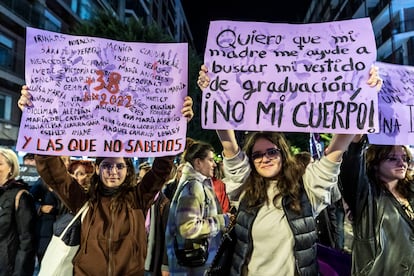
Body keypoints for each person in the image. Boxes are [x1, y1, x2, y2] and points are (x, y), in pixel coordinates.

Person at [197, 64, 382, 275]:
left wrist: (362, 95)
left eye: (271, 152)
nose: (264, 158)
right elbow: (229, 145)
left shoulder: (307, 189)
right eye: (257, 155)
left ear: (283, 154)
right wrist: (214, 94)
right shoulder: (245, 190)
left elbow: (336, 150)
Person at [18, 86, 194, 275]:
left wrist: (177, 123)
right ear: (97, 169)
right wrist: (36, 119)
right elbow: (53, 172)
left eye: (119, 166)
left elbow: (162, 168)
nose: (113, 172)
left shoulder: (138, 198)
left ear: (128, 170)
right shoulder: (83, 200)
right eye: (107, 166)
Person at [340, 135, 414, 275]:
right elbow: (351, 168)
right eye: (392, 158)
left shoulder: (410, 191)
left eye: (405, 158)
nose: (402, 163)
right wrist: (356, 141)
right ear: (375, 163)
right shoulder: (366, 195)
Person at [165, 139, 232, 275]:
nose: (214, 164)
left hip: (195, 265)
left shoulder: (196, 184)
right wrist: (222, 220)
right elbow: (188, 228)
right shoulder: (193, 186)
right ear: (198, 162)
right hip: (193, 267)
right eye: (210, 160)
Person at [0, 148, 36, 275]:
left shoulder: (21, 196)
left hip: (7, 268)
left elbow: (27, 241)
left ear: (11, 168)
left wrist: (20, 273)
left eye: (0, 163)